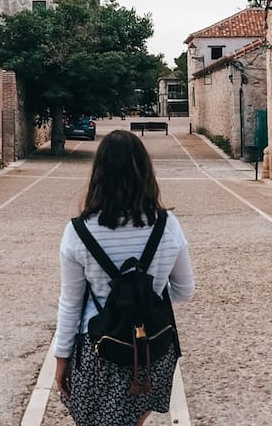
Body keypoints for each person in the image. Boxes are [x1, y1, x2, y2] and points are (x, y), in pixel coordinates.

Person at [51, 129, 196, 426]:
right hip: (151, 349)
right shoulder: (167, 225)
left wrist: (61, 358)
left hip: (99, 350)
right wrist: (144, 297)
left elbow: (71, 303)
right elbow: (184, 290)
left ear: (98, 173)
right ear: (145, 171)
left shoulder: (78, 232)